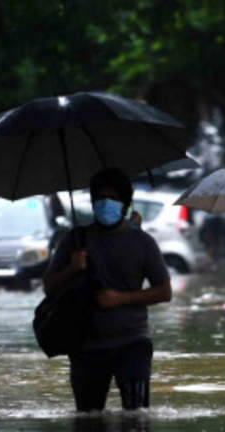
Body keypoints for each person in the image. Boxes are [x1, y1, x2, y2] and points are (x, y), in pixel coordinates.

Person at [43, 168, 172, 412]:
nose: (106, 205)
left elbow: (164, 291)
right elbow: (48, 287)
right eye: (100, 199)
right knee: (87, 419)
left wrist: (121, 299)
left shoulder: (142, 242)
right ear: (92, 203)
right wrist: (72, 268)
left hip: (133, 343)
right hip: (86, 346)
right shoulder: (75, 240)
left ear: (124, 204)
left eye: (113, 199)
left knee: (137, 418)